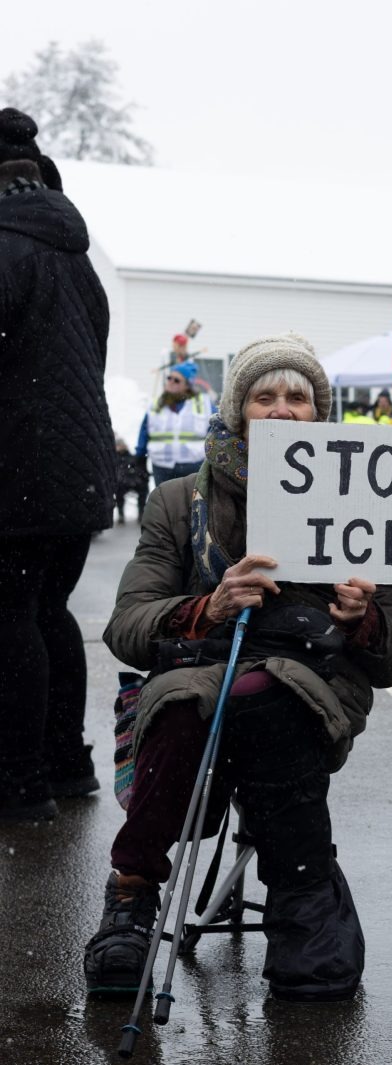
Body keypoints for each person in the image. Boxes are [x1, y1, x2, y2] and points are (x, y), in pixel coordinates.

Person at [83, 333, 392, 1002]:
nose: (284, 409)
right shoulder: (177, 502)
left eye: (299, 396)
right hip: (199, 673)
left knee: (264, 696)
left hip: (311, 680)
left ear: (318, 414)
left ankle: (302, 891)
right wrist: (208, 604)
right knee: (187, 704)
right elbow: (126, 624)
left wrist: (361, 618)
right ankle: (134, 892)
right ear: (239, 411)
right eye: (266, 395)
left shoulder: (358, 494)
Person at [0, 108, 115, 821]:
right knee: (48, 611)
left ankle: (18, 782)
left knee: (9, 616)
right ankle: (67, 762)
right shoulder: (73, 252)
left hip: (16, 472)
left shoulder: (6, 248)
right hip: (77, 471)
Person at [136, 359, 214, 486]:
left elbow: (215, 430)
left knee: (191, 504)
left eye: (177, 380)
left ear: (187, 385)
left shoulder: (203, 405)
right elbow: (144, 431)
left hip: (193, 466)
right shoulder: (156, 405)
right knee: (164, 504)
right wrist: (139, 457)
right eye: (169, 378)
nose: (171, 382)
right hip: (162, 467)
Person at [114, 436, 149, 525]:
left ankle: (141, 513)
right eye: (119, 445)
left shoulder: (133, 457)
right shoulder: (115, 458)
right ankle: (121, 514)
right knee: (119, 489)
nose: (121, 447)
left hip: (134, 481)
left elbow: (139, 469)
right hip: (122, 483)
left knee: (143, 488)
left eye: (122, 445)